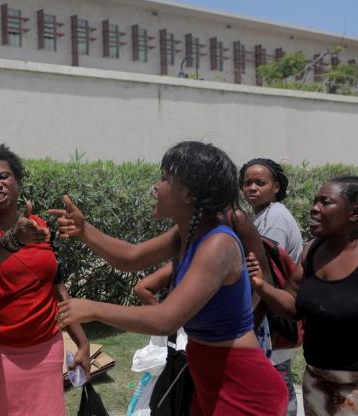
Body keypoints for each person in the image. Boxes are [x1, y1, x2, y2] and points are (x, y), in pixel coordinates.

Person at [50, 141, 288, 415]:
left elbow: (167, 320)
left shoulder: (217, 244)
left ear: (188, 192)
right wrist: (84, 230)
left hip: (243, 389)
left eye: (164, 178)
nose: (156, 186)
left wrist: (92, 308)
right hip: (212, 382)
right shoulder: (187, 233)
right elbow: (131, 257)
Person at [0, 144, 90, 416]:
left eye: (3, 176)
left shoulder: (37, 225)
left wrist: (82, 342)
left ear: (17, 179)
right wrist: (14, 239)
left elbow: (55, 286)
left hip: (45, 350)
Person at [249, 175, 358, 415]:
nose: (314, 208)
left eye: (325, 202)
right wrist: (262, 286)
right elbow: (293, 305)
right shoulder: (312, 250)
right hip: (317, 382)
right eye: (315, 201)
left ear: (354, 213)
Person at [240, 158, 303, 416]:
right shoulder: (265, 215)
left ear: (276, 186)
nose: (252, 188)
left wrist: (250, 323)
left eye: (260, 183)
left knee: (275, 387)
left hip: (273, 317)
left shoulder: (274, 218)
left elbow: (265, 278)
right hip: (272, 314)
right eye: (247, 183)